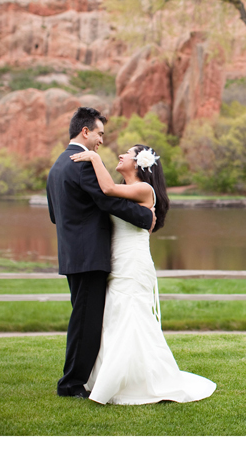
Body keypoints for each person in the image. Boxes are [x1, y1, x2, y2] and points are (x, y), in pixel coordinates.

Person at [70, 143, 216, 405]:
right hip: (116, 262)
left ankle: (125, 384)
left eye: (127, 152)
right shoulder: (128, 192)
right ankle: (116, 378)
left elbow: (107, 189)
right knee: (114, 319)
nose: (121, 154)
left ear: (139, 162)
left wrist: (93, 157)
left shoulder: (144, 189)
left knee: (130, 318)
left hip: (133, 264)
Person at [47, 107, 156, 398]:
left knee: (84, 319)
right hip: (89, 256)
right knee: (86, 322)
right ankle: (71, 384)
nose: (101, 142)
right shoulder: (81, 164)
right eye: (99, 134)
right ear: (86, 131)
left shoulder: (57, 166)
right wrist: (146, 217)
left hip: (73, 254)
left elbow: (54, 216)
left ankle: (78, 378)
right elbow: (107, 201)